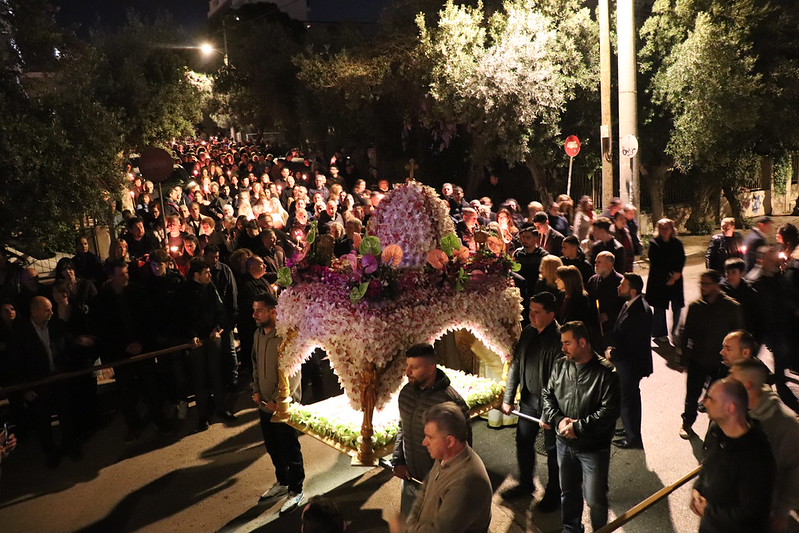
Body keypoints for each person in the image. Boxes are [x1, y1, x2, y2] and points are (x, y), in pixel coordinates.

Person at [542, 321, 620, 533]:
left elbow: (610, 412)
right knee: (568, 492)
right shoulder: (560, 365)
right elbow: (547, 395)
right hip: (564, 443)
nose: (563, 348)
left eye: (567, 343)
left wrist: (579, 428)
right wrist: (558, 420)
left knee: (595, 499)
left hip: (593, 448)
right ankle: (571, 529)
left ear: (583, 342)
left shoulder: (607, 373)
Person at [392, 344, 470, 515]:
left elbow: (463, 449)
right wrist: (399, 460)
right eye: (408, 366)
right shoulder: (406, 394)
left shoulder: (451, 402)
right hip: (411, 477)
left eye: (414, 367)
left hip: (439, 484)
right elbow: (402, 427)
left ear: (431, 368)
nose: (408, 372)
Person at [500, 292, 562, 510]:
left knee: (553, 450)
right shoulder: (528, 332)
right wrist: (509, 397)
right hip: (528, 399)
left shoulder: (559, 339)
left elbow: (557, 380)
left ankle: (555, 492)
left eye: (537, 312)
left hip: (550, 406)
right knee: (523, 442)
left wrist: (548, 413)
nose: (531, 316)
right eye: (530, 310)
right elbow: (517, 365)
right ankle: (526, 483)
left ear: (551, 314)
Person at [691, 378, 774, 533]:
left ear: (730, 408)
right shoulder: (716, 430)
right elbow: (707, 466)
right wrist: (698, 489)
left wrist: (708, 512)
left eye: (711, 399)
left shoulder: (756, 458)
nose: (704, 402)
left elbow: (752, 516)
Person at [251, 293, 305, 515]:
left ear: (274, 312)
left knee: (289, 447)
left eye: (259, 310)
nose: (254, 315)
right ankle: (282, 482)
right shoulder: (258, 335)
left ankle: (296, 489)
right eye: (254, 310)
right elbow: (254, 363)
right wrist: (256, 389)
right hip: (264, 404)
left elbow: (293, 371)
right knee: (273, 447)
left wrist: (277, 399)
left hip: (283, 406)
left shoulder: (286, 336)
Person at [400, 402, 492, 533]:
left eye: (430, 437)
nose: (424, 442)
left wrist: (405, 528)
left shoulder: (465, 482)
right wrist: (412, 523)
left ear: (450, 441)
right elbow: (425, 490)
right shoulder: (445, 456)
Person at [730, 359, 799, 533]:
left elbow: (793, 471)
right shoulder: (735, 411)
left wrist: (781, 513)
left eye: (733, 379)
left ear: (747, 385)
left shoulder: (785, 424)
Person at [678, 270, 744, 439]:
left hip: (720, 363)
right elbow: (686, 334)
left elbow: (738, 335)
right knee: (692, 395)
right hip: (698, 359)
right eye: (701, 284)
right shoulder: (695, 307)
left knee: (717, 399)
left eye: (706, 284)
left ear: (717, 285)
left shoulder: (731, 307)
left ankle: (714, 431)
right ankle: (687, 423)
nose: (702, 288)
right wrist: (683, 356)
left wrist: (735, 361)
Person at [607, 273, 653, 449]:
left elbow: (634, 344)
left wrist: (613, 353)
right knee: (628, 398)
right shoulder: (629, 304)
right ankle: (629, 429)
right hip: (626, 362)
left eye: (623, 285)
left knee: (628, 400)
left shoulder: (641, 311)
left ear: (633, 291)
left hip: (631, 364)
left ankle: (633, 437)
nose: (619, 286)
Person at [645, 218, 685, 343]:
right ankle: (660, 332)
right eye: (661, 228)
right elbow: (656, 263)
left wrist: (676, 275)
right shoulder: (654, 244)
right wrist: (668, 277)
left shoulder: (677, 243)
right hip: (659, 279)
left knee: (677, 306)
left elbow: (681, 259)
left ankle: (676, 331)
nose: (664, 231)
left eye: (666, 228)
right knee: (659, 307)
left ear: (672, 229)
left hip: (676, 279)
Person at [585, 251, 624, 352]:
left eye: (599, 262)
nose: (596, 265)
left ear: (610, 263)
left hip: (612, 329)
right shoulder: (593, 280)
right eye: (596, 262)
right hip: (595, 329)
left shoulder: (620, 282)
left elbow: (625, 306)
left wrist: (609, 316)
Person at [719, 258, 759, 339]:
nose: (730, 276)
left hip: (745, 334)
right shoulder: (721, 290)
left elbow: (755, 316)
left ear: (741, 273)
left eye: (733, 272)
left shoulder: (750, 292)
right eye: (727, 272)